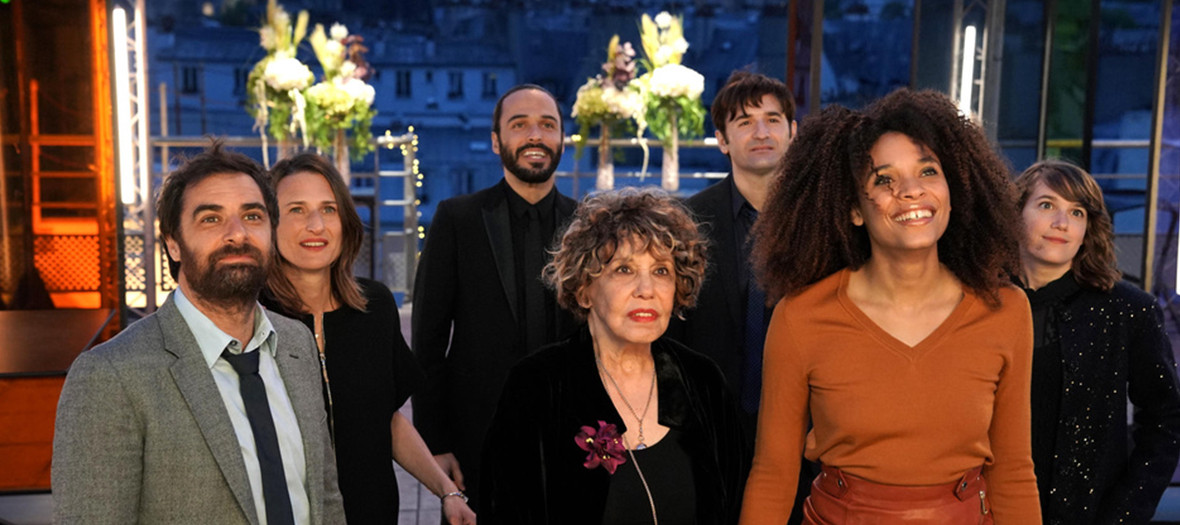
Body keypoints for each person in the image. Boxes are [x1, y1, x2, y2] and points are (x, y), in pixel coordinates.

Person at [741, 89, 1041, 523]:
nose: (911, 192)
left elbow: (1013, 473)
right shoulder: (801, 317)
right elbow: (773, 474)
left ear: (953, 191)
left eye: (928, 171)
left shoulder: (1006, 311)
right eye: (884, 180)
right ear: (854, 210)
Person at [52, 143, 346, 524]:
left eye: (252, 216)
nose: (236, 235)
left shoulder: (296, 344)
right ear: (173, 242)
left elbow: (325, 498)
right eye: (211, 219)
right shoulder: (111, 377)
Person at [480, 187, 749, 524]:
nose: (646, 290)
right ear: (584, 288)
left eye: (661, 271)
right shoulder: (538, 385)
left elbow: (734, 503)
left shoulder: (701, 381)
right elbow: (505, 510)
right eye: (624, 269)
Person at [260, 153, 477, 524]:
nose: (316, 225)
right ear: (269, 223)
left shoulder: (374, 307)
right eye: (297, 210)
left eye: (328, 209)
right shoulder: (251, 316)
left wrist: (447, 490)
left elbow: (387, 420)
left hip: (371, 511)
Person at [412, 83, 578, 508]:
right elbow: (428, 339)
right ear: (496, 141)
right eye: (519, 125)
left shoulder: (588, 224)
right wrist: (436, 442)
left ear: (562, 139)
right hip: (476, 438)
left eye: (547, 125)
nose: (535, 136)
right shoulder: (457, 218)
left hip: (570, 437)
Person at [1014, 159, 1180, 524]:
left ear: (1088, 227)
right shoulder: (978, 302)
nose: (1062, 223)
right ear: (1015, 213)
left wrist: (1124, 514)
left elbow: (1167, 419)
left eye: (1077, 212)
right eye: (1046, 205)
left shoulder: (1128, 309)